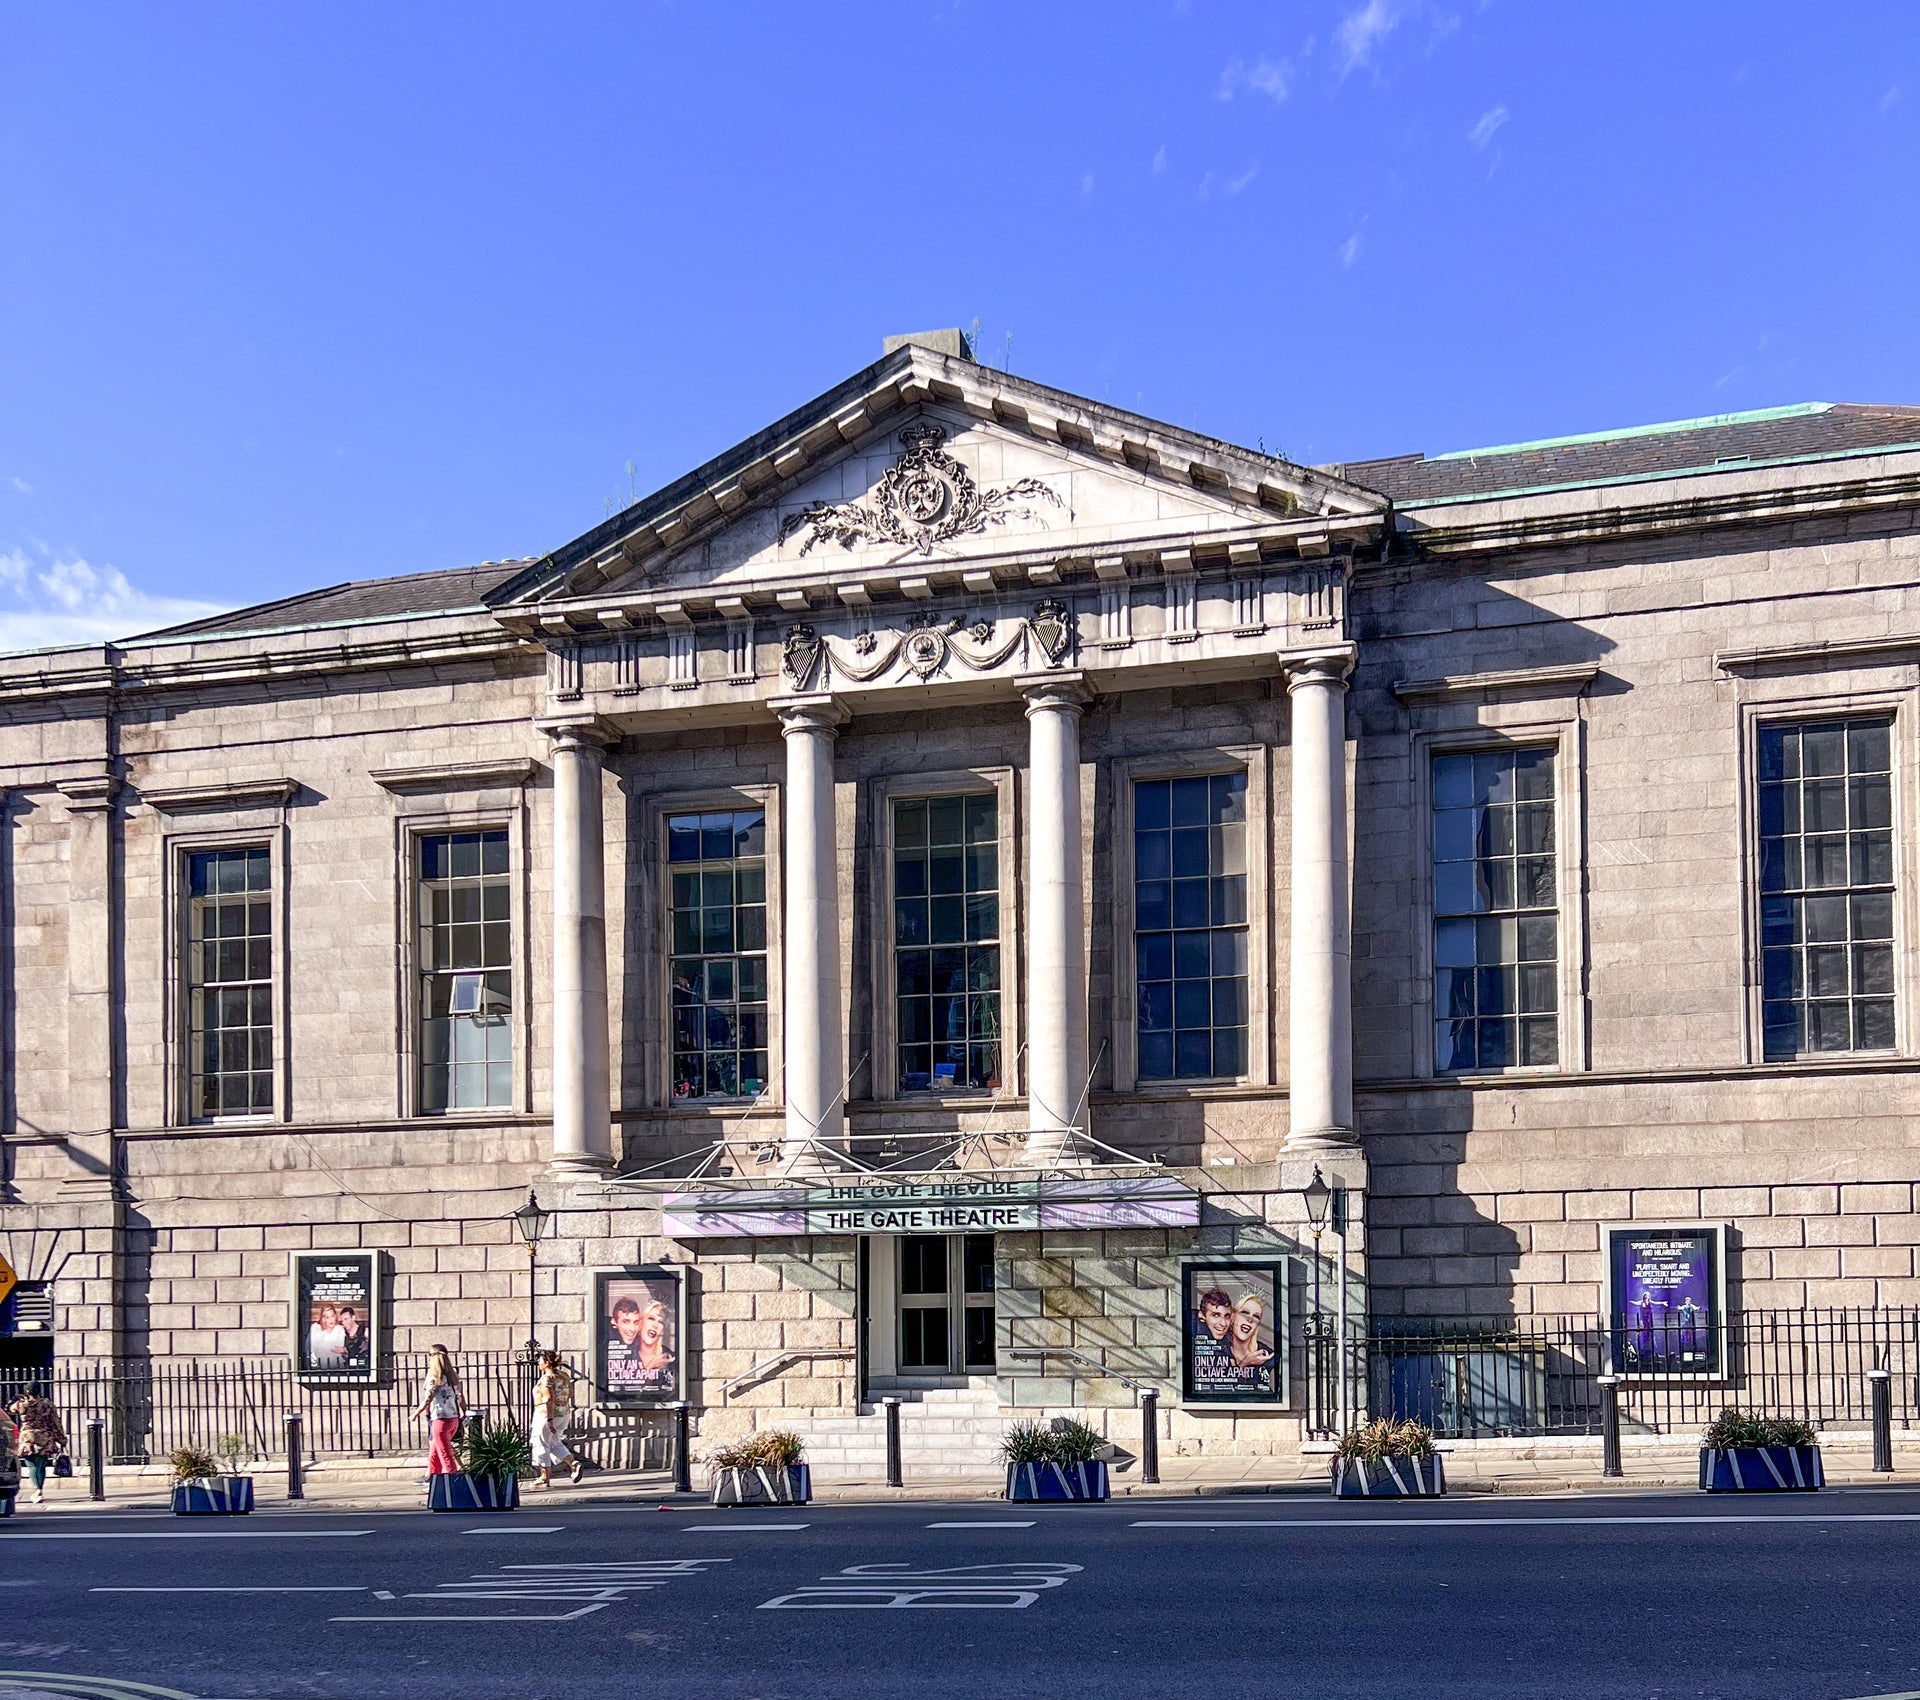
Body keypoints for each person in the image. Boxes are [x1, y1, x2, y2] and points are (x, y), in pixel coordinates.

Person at [530, 1350, 584, 1488]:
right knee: (554, 1442)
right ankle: (573, 1464)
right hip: (563, 1414)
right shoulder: (564, 1376)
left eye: (540, 1360)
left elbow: (548, 1399)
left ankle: (544, 1476)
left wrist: (549, 1419)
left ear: (547, 1363)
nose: (538, 1362)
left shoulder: (547, 1378)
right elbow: (570, 1393)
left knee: (541, 1443)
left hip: (546, 1414)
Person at [411, 1343, 466, 1476]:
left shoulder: (434, 1379)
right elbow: (460, 1397)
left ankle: (451, 1483)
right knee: (434, 1454)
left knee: (445, 1456)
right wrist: (463, 1412)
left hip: (440, 1420)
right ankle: (432, 1480)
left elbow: (428, 1398)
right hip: (453, 1419)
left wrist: (415, 1414)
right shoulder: (453, 1378)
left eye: (430, 1355)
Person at [8, 1393, 68, 1505]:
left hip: (27, 1437)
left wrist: (16, 1399)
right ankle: (39, 1489)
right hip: (43, 1437)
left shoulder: (22, 1404)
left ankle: (36, 1489)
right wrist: (61, 1438)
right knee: (41, 1465)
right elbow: (55, 1423)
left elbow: (10, 1409)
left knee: (31, 1465)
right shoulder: (47, 1404)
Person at [1227, 1291, 1275, 1385]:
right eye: (1245, 1312)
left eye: (1256, 1316)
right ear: (1233, 1317)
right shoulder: (1219, 1351)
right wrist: (1244, 1363)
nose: (1250, 1319)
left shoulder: (1266, 1356)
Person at [308, 1302, 346, 1371]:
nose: (331, 1320)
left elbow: (337, 1348)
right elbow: (312, 1348)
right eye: (327, 1317)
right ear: (323, 1318)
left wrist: (321, 1344)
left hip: (337, 1367)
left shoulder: (339, 1329)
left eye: (333, 1316)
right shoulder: (315, 1328)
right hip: (318, 1367)